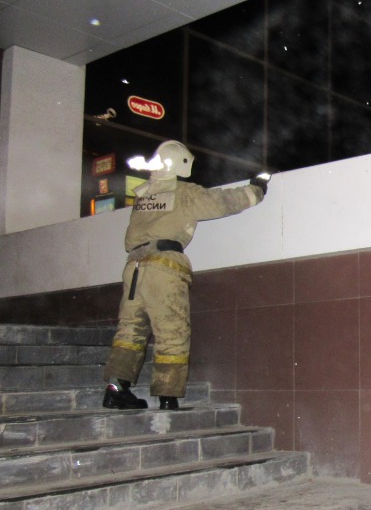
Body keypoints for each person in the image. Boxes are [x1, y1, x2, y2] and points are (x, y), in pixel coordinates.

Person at [102, 140, 270, 410]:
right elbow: (222, 202)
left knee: (130, 330)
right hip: (164, 266)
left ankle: (116, 389)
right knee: (172, 330)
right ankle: (168, 396)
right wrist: (256, 189)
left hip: (133, 268)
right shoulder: (183, 193)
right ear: (182, 164)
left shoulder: (143, 196)